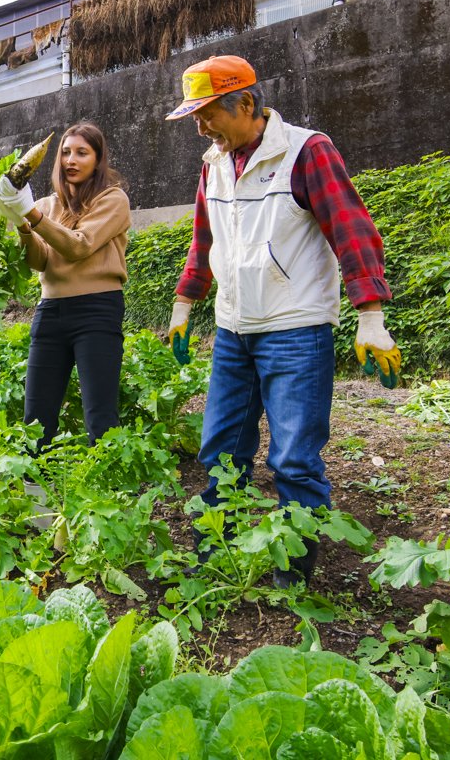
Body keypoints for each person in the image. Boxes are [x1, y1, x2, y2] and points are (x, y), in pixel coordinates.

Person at [163, 54, 402, 587]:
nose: (200, 127)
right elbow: (204, 241)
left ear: (245, 103)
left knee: (293, 458)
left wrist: (371, 316)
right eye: (195, 116)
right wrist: (184, 305)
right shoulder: (214, 162)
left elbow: (351, 230)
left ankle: (293, 575)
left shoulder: (305, 151)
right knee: (221, 449)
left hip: (295, 329)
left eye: (206, 114)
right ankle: (214, 553)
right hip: (233, 330)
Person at [0, 121, 131, 447]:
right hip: (50, 311)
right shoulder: (45, 205)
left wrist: (31, 216)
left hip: (97, 310)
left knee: (99, 412)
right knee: (36, 413)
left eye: (82, 153)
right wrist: (22, 226)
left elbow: (79, 245)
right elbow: (39, 262)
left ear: (98, 160)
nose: (71, 160)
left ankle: (106, 491)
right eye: (66, 153)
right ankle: (34, 490)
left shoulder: (112, 200)